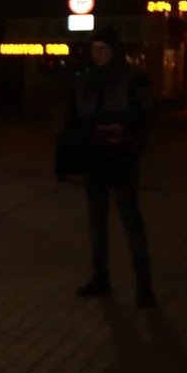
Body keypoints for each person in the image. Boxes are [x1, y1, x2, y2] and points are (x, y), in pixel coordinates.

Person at [65, 25, 155, 308]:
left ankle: (144, 286)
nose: (98, 54)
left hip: (123, 162)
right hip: (95, 162)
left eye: (103, 48)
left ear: (114, 50)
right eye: (94, 49)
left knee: (131, 223)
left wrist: (129, 139)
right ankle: (100, 279)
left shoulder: (133, 78)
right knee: (97, 225)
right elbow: (73, 118)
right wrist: (79, 142)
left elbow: (147, 115)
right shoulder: (84, 80)